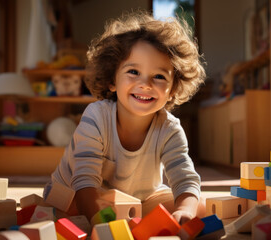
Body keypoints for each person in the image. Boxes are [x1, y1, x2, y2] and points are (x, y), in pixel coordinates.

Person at [44, 11, 206, 224]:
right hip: (78, 194)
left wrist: (185, 211)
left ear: (173, 88)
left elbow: (184, 178)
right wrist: (99, 221)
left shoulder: (170, 129)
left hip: (135, 200)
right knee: (67, 211)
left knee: (198, 206)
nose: (145, 84)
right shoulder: (97, 116)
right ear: (113, 80)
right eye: (133, 72)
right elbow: (84, 180)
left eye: (159, 76)